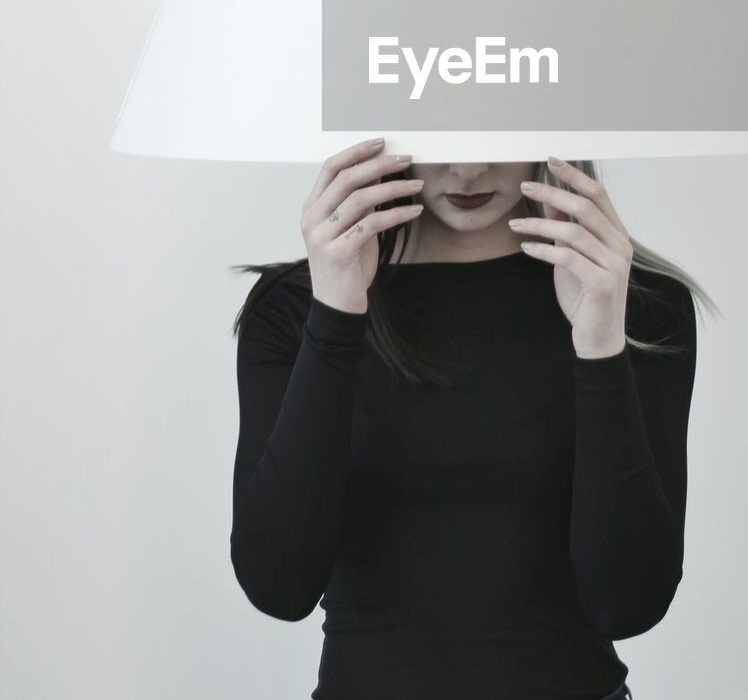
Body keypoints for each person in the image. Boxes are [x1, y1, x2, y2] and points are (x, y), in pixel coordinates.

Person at [229, 137, 710, 700]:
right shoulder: (293, 310)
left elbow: (628, 603)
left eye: (497, 136)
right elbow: (277, 586)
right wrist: (335, 314)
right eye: (440, 139)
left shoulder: (639, 305)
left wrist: (600, 342)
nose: (468, 167)